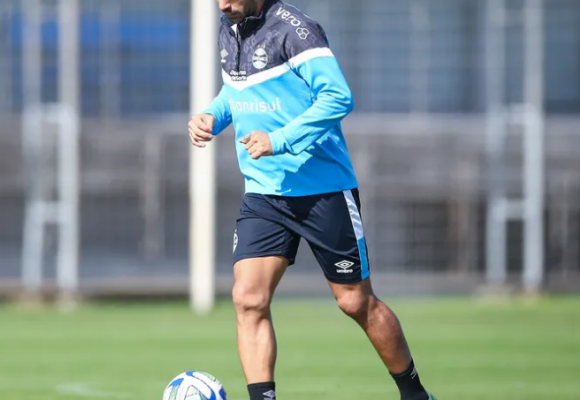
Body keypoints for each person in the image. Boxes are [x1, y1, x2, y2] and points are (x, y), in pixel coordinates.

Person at [187, 1, 437, 400]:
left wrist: (280, 140)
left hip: (324, 191)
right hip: (264, 192)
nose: (223, 4)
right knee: (248, 298)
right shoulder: (229, 26)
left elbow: (338, 97)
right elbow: (236, 92)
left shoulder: (296, 30)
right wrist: (212, 116)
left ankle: (415, 394)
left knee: (355, 302)